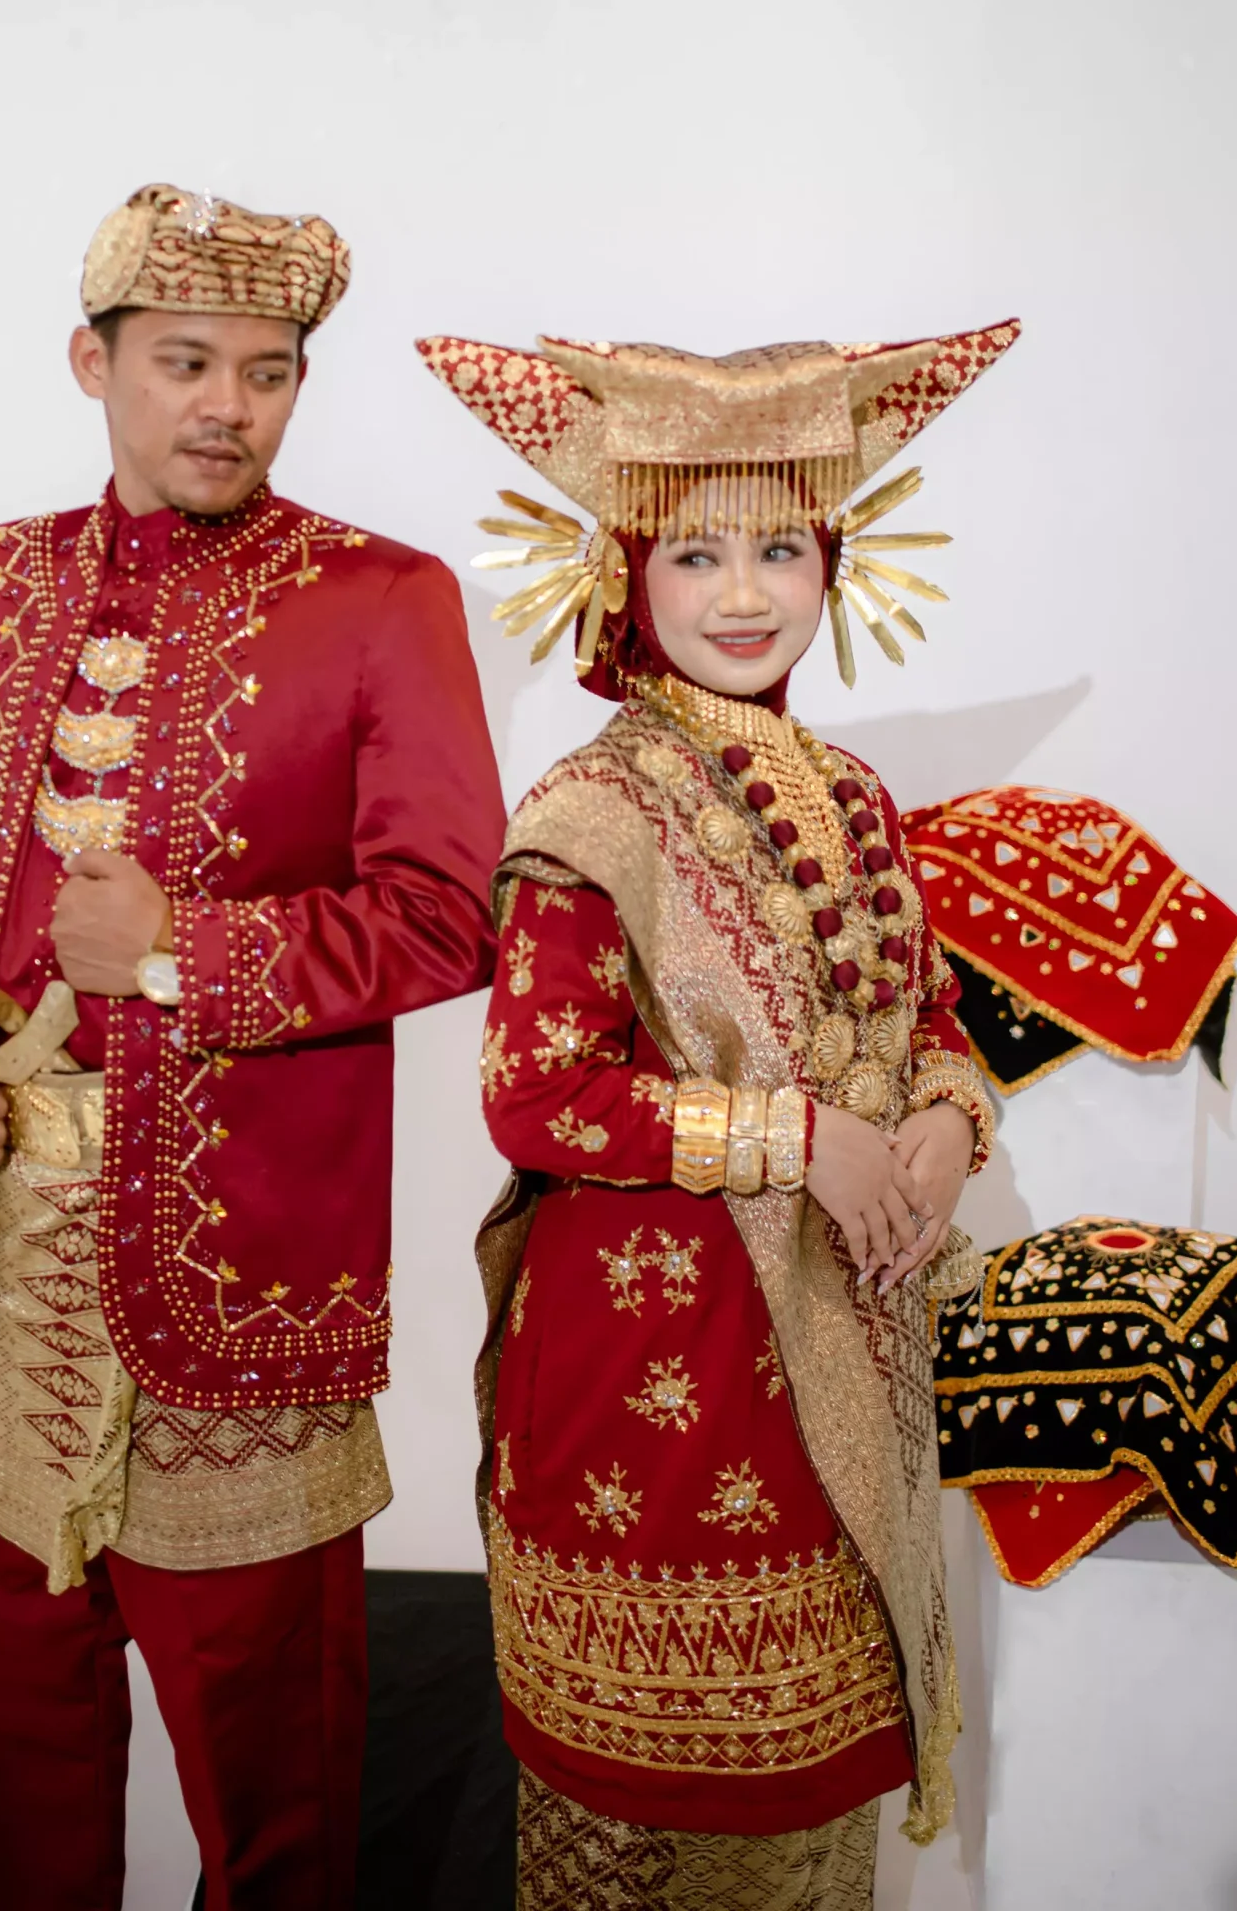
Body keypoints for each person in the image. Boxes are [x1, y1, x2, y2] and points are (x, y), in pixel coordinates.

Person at [0, 184, 505, 1911]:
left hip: (248, 1279)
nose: (229, 405)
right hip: (13, 1281)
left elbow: (452, 916)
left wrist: (174, 955)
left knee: (269, 1788)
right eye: (186, 362)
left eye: (269, 372)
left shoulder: (383, 598)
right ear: (95, 364)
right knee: (29, 1746)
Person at [417, 324, 1016, 1911]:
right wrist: (800, 1139)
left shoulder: (855, 795)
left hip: (845, 1366)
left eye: (779, 549)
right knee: (647, 1842)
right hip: (656, 1385)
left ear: (834, 564)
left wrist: (948, 1127)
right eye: (695, 553)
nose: (743, 593)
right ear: (624, 572)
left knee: (815, 1843)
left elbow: (930, 1021)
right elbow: (536, 1097)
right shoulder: (591, 809)